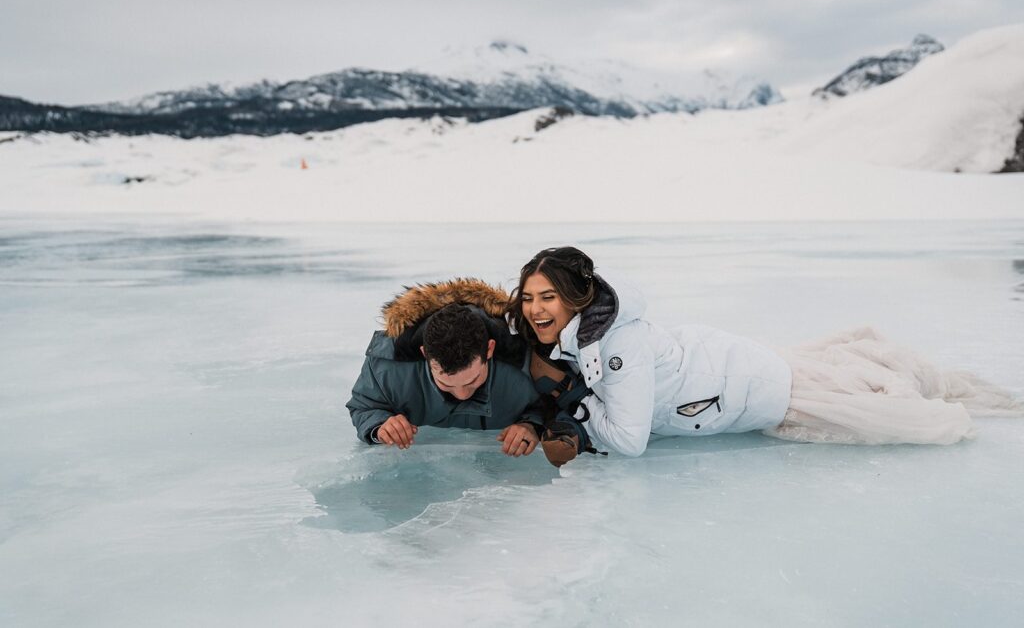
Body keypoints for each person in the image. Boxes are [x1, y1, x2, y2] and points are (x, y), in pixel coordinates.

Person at [506, 247, 1021, 463]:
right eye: (528, 297)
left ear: (577, 298)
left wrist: (573, 409)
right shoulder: (582, 332)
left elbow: (630, 440)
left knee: (884, 407)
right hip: (722, 366)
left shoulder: (618, 346)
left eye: (547, 297)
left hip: (742, 388)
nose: (534, 309)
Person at [347, 278, 544, 456]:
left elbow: (556, 406)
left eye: (473, 380)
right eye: (446, 383)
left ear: (489, 350)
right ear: (425, 354)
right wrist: (380, 425)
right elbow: (365, 406)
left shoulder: (531, 361)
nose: (462, 395)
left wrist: (532, 425)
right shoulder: (388, 367)